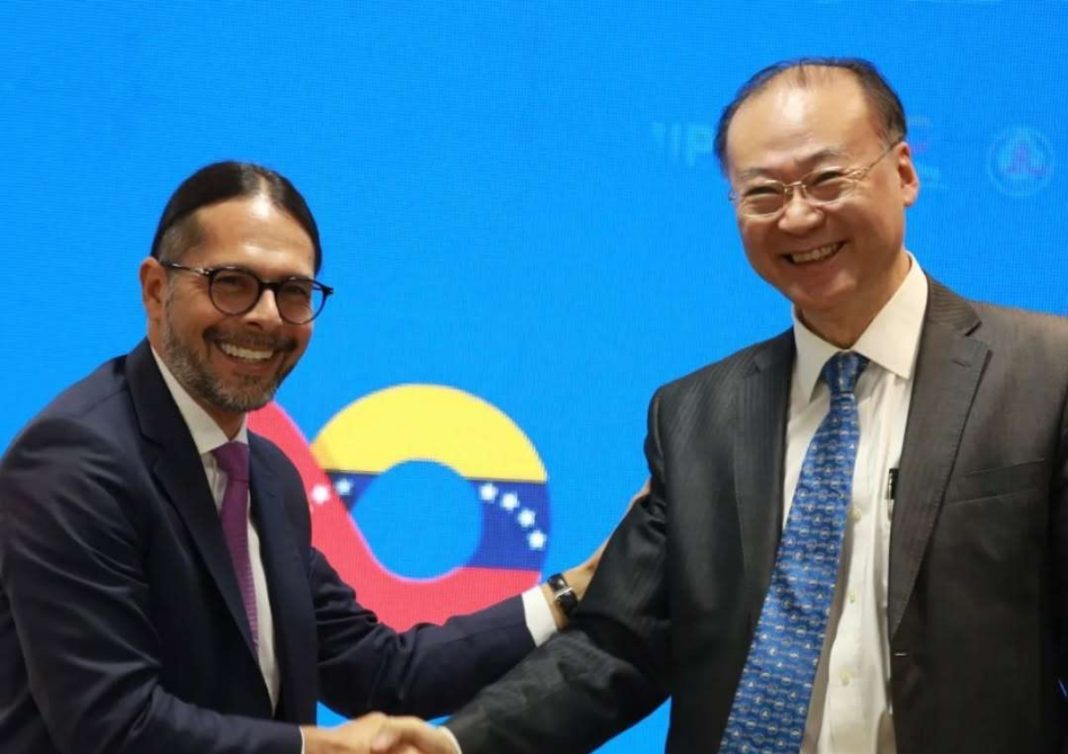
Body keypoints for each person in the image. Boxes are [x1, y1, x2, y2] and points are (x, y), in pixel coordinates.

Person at [369, 57, 1068, 754]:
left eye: (827, 179)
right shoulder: (695, 415)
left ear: (905, 173)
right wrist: (456, 746)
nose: (798, 215)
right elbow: (620, 645)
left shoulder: (1046, 372)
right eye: (763, 193)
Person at [0, 161, 603, 754]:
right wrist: (321, 749)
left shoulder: (267, 475)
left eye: (292, 292)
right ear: (156, 290)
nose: (267, 316)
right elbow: (113, 726)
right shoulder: (74, 463)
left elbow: (381, 673)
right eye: (231, 282)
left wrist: (572, 590)